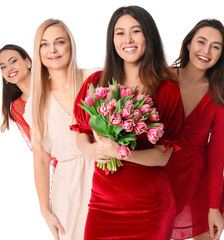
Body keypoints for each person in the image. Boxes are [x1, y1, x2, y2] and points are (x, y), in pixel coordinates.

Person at [73, 6, 184, 240]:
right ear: (112, 39)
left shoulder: (168, 90)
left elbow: (163, 156)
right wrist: (92, 149)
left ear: (148, 36)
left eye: (136, 31)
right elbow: (80, 132)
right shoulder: (96, 82)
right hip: (102, 204)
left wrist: (120, 152)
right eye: (120, 33)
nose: (128, 40)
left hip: (150, 208)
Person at [23, 19, 99, 240]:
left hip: (109, 174)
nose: (52, 50)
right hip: (69, 191)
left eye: (59, 42)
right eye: (44, 44)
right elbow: (41, 159)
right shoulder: (36, 102)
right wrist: (44, 210)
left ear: (71, 46)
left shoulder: (95, 78)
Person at [164, 19, 224, 240]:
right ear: (188, 44)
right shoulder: (163, 78)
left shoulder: (222, 94)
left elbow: (217, 151)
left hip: (199, 181)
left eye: (216, 46)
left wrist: (213, 208)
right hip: (159, 172)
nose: (206, 50)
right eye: (201, 42)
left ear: (222, 54)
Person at [0, 44, 58, 173]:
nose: (9, 68)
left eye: (13, 61)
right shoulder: (17, 107)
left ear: (27, 62)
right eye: (3, 66)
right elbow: (40, 148)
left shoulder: (53, 82)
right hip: (63, 162)